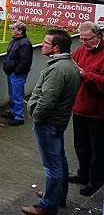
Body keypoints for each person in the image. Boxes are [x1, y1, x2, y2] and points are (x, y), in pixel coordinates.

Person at [22, 29, 80, 215]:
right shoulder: (69, 64)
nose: (42, 45)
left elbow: (47, 100)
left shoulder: (57, 68)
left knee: (52, 165)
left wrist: (36, 116)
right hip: (58, 121)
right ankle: (57, 195)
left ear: (55, 48)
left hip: (49, 123)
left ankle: (47, 206)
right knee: (59, 160)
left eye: (46, 43)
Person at [69, 22, 104, 197]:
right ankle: (83, 174)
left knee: (98, 150)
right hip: (80, 108)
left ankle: (96, 182)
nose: (85, 43)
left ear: (99, 37)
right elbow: (71, 63)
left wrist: (86, 76)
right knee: (81, 145)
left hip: (99, 112)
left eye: (88, 40)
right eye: (82, 40)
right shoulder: (81, 50)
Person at [1, 21, 33, 126]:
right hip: (12, 72)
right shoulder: (15, 41)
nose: (12, 30)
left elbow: (25, 61)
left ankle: (19, 117)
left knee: (17, 95)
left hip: (17, 74)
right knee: (12, 94)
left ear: (20, 31)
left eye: (14, 29)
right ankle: (13, 112)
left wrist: (16, 71)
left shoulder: (25, 43)